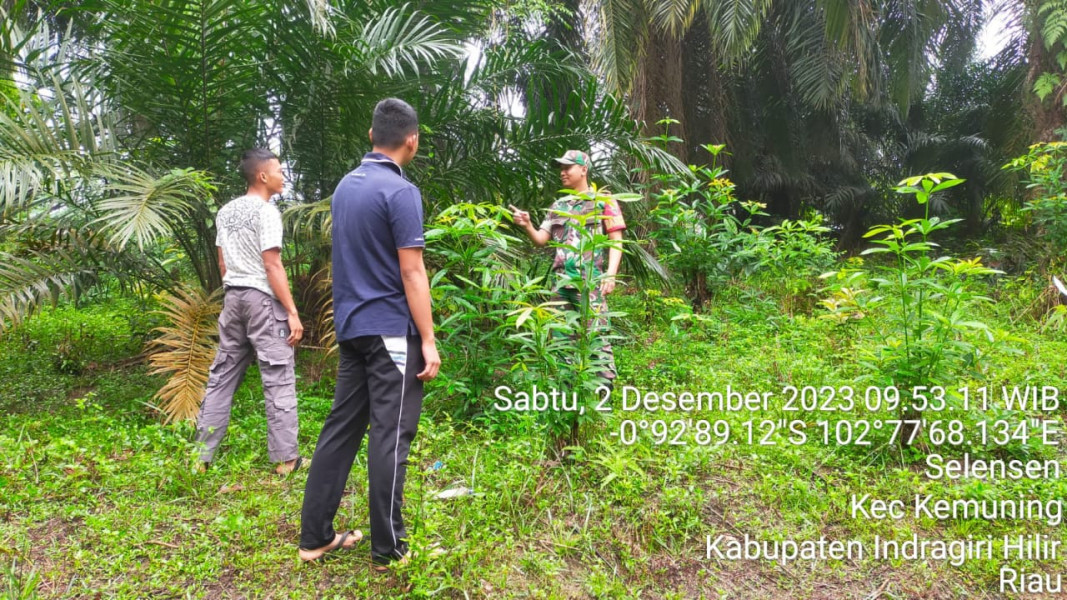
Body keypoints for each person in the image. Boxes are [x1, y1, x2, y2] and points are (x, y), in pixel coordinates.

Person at [299, 98, 441, 565]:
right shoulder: (400, 193)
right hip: (391, 334)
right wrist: (429, 339)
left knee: (341, 428)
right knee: (391, 434)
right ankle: (389, 547)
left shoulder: (346, 186)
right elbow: (413, 271)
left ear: (371, 135)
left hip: (352, 327)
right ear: (412, 141)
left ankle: (315, 536)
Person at [195, 148, 304, 475]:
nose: (283, 176)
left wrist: (235, 288)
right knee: (278, 376)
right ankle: (287, 462)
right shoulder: (266, 212)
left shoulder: (225, 211)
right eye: (280, 170)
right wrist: (292, 312)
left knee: (221, 378)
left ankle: (200, 459)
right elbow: (272, 265)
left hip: (233, 299)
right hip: (262, 302)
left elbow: (222, 262)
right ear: (262, 176)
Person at [510, 149, 626, 382]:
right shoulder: (558, 204)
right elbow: (541, 240)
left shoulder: (604, 200)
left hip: (589, 284)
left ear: (584, 169)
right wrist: (527, 225)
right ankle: (568, 395)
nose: (562, 173)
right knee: (562, 341)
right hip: (560, 284)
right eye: (560, 168)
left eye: (567, 167)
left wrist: (610, 275)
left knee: (597, 338)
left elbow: (617, 240)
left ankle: (603, 392)